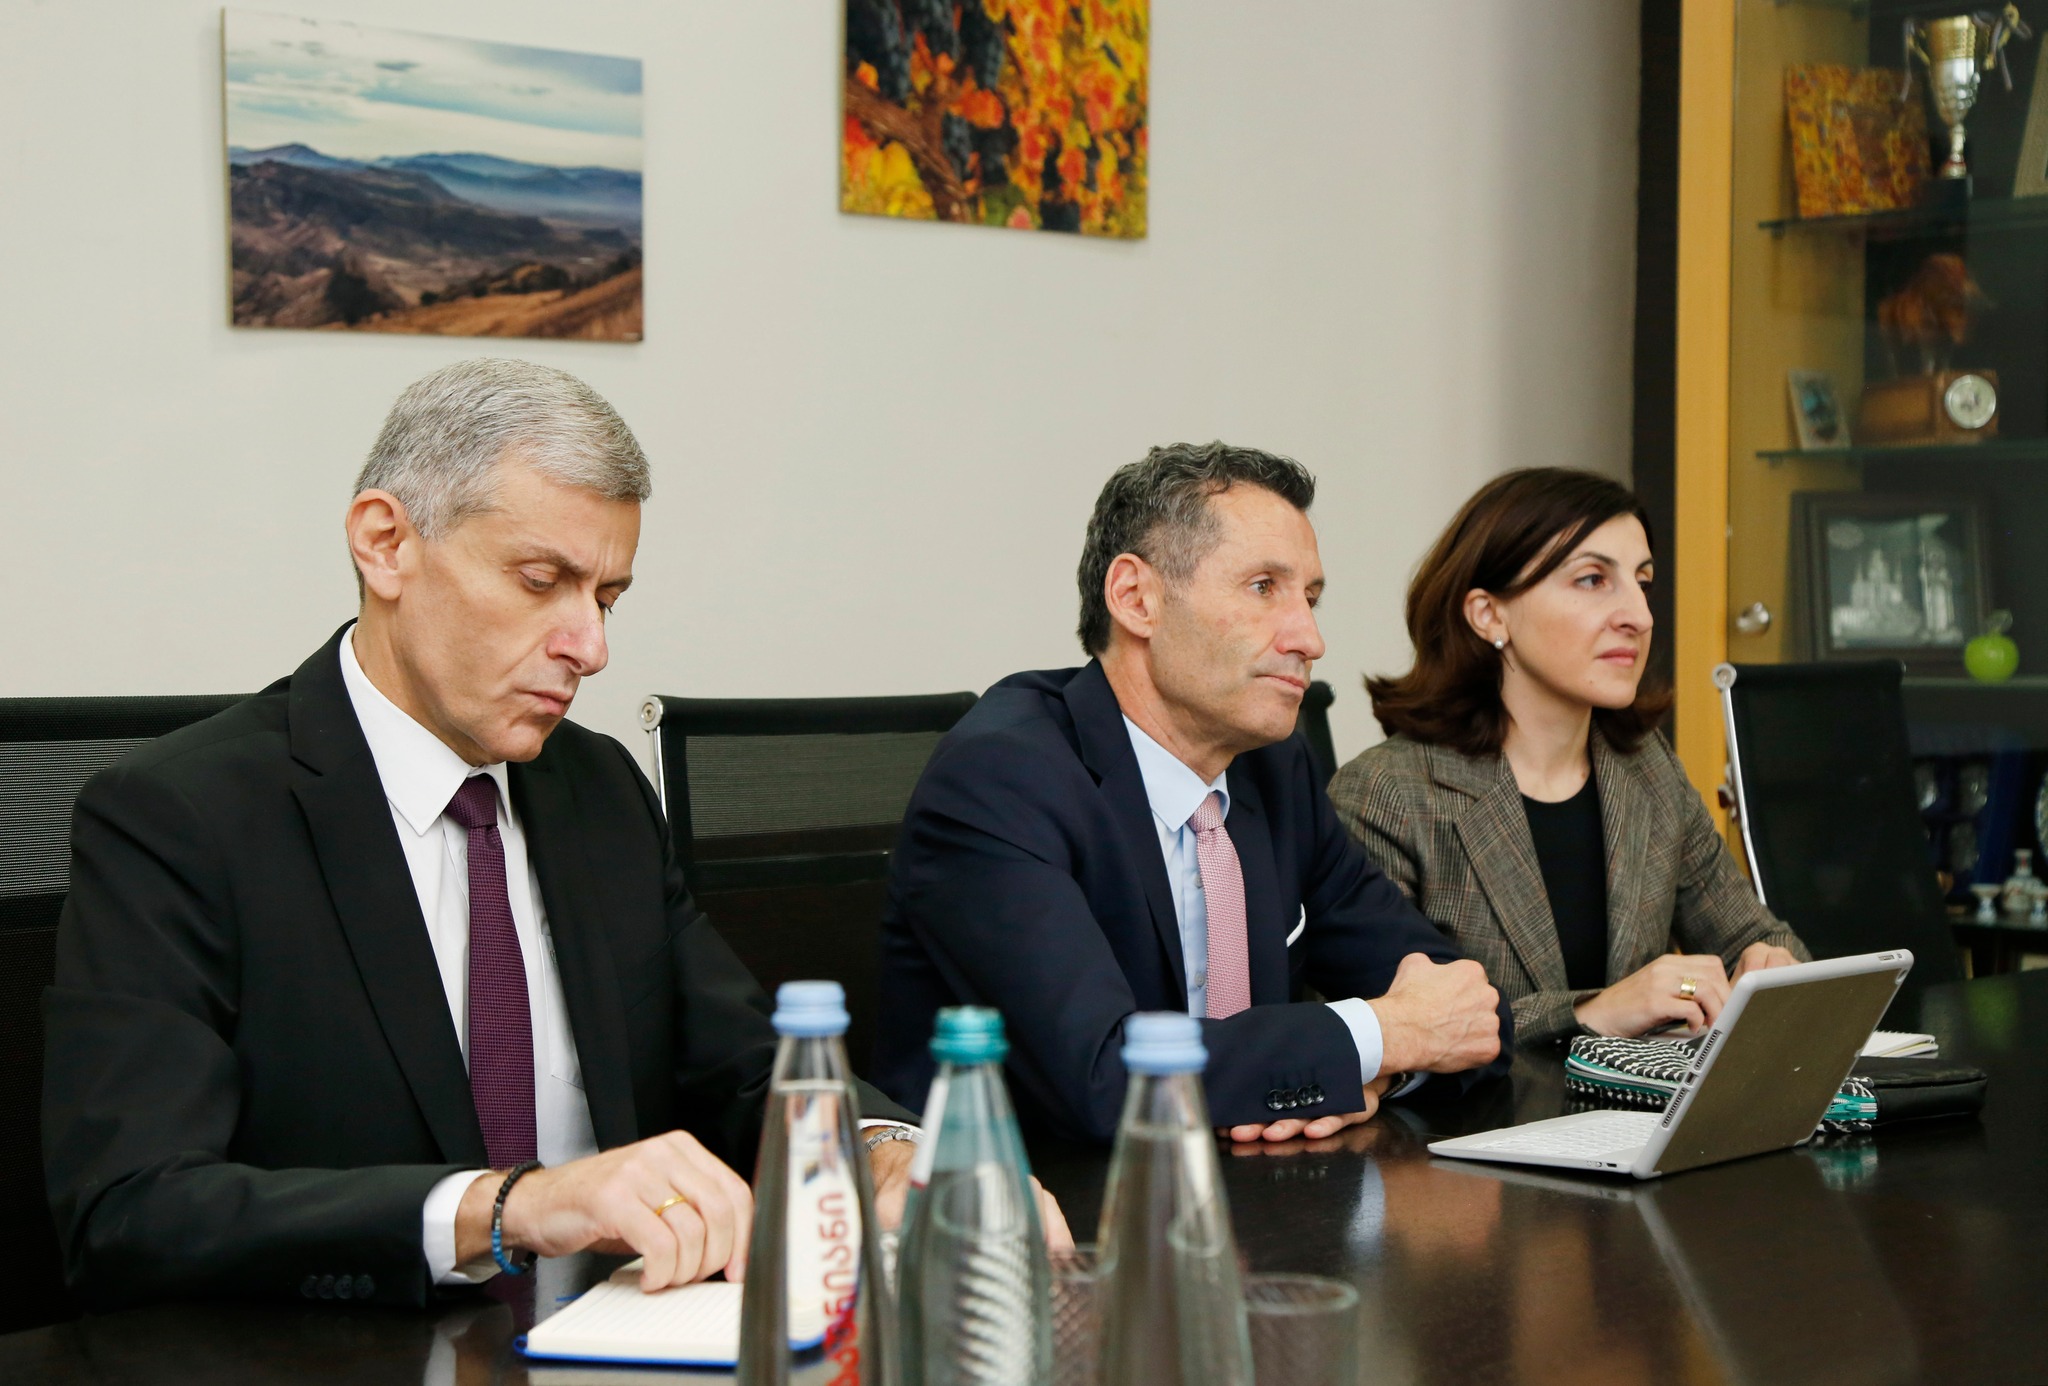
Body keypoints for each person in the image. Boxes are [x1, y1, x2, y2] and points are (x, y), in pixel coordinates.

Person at [40, 360, 1065, 1313]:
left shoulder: (596, 789)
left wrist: (888, 1150)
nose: (592, 646)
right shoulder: (180, 816)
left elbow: (748, 1065)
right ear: (385, 543)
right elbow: (131, 1208)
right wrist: (512, 1206)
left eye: (606, 597)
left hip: (622, 1337)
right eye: (540, 582)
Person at [875, 442, 1511, 1146]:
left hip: (1255, 1187)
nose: (1310, 638)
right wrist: (1375, 1038)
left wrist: (1373, 1068)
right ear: (1136, 598)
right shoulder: (1003, 776)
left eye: (1310, 598)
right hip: (1030, 1195)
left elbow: (1463, 1006)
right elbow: (1105, 1082)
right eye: (1263, 587)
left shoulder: (1275, 768)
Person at [1327, 468, 1808, 1048]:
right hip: (1478, 1111)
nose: (1640, 616)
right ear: (1489, 614)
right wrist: (1594, 1011)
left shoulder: (1646, 769)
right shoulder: (1388, 793)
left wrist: (1771, 965)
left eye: (1642, 582)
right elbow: (1389, 1028)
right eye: (1592, 580)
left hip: (1637, 1106)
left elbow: (1760, 941)